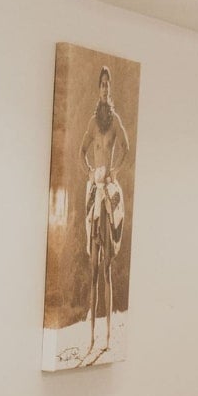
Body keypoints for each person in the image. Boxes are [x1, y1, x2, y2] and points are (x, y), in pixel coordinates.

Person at [77, 66, 130, 362]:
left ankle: (108, 336)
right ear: (98, 89)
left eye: (108, 85)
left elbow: (126, 149)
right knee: (93, 267)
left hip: (108, 189)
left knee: (107, 266)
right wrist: (89, 172)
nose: (105, 89)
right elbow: (81, 151)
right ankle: (91, 336)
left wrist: (115, 171)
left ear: (111, 90)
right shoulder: (92, 122)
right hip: (94, 189)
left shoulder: (115, 121)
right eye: (102, 85)